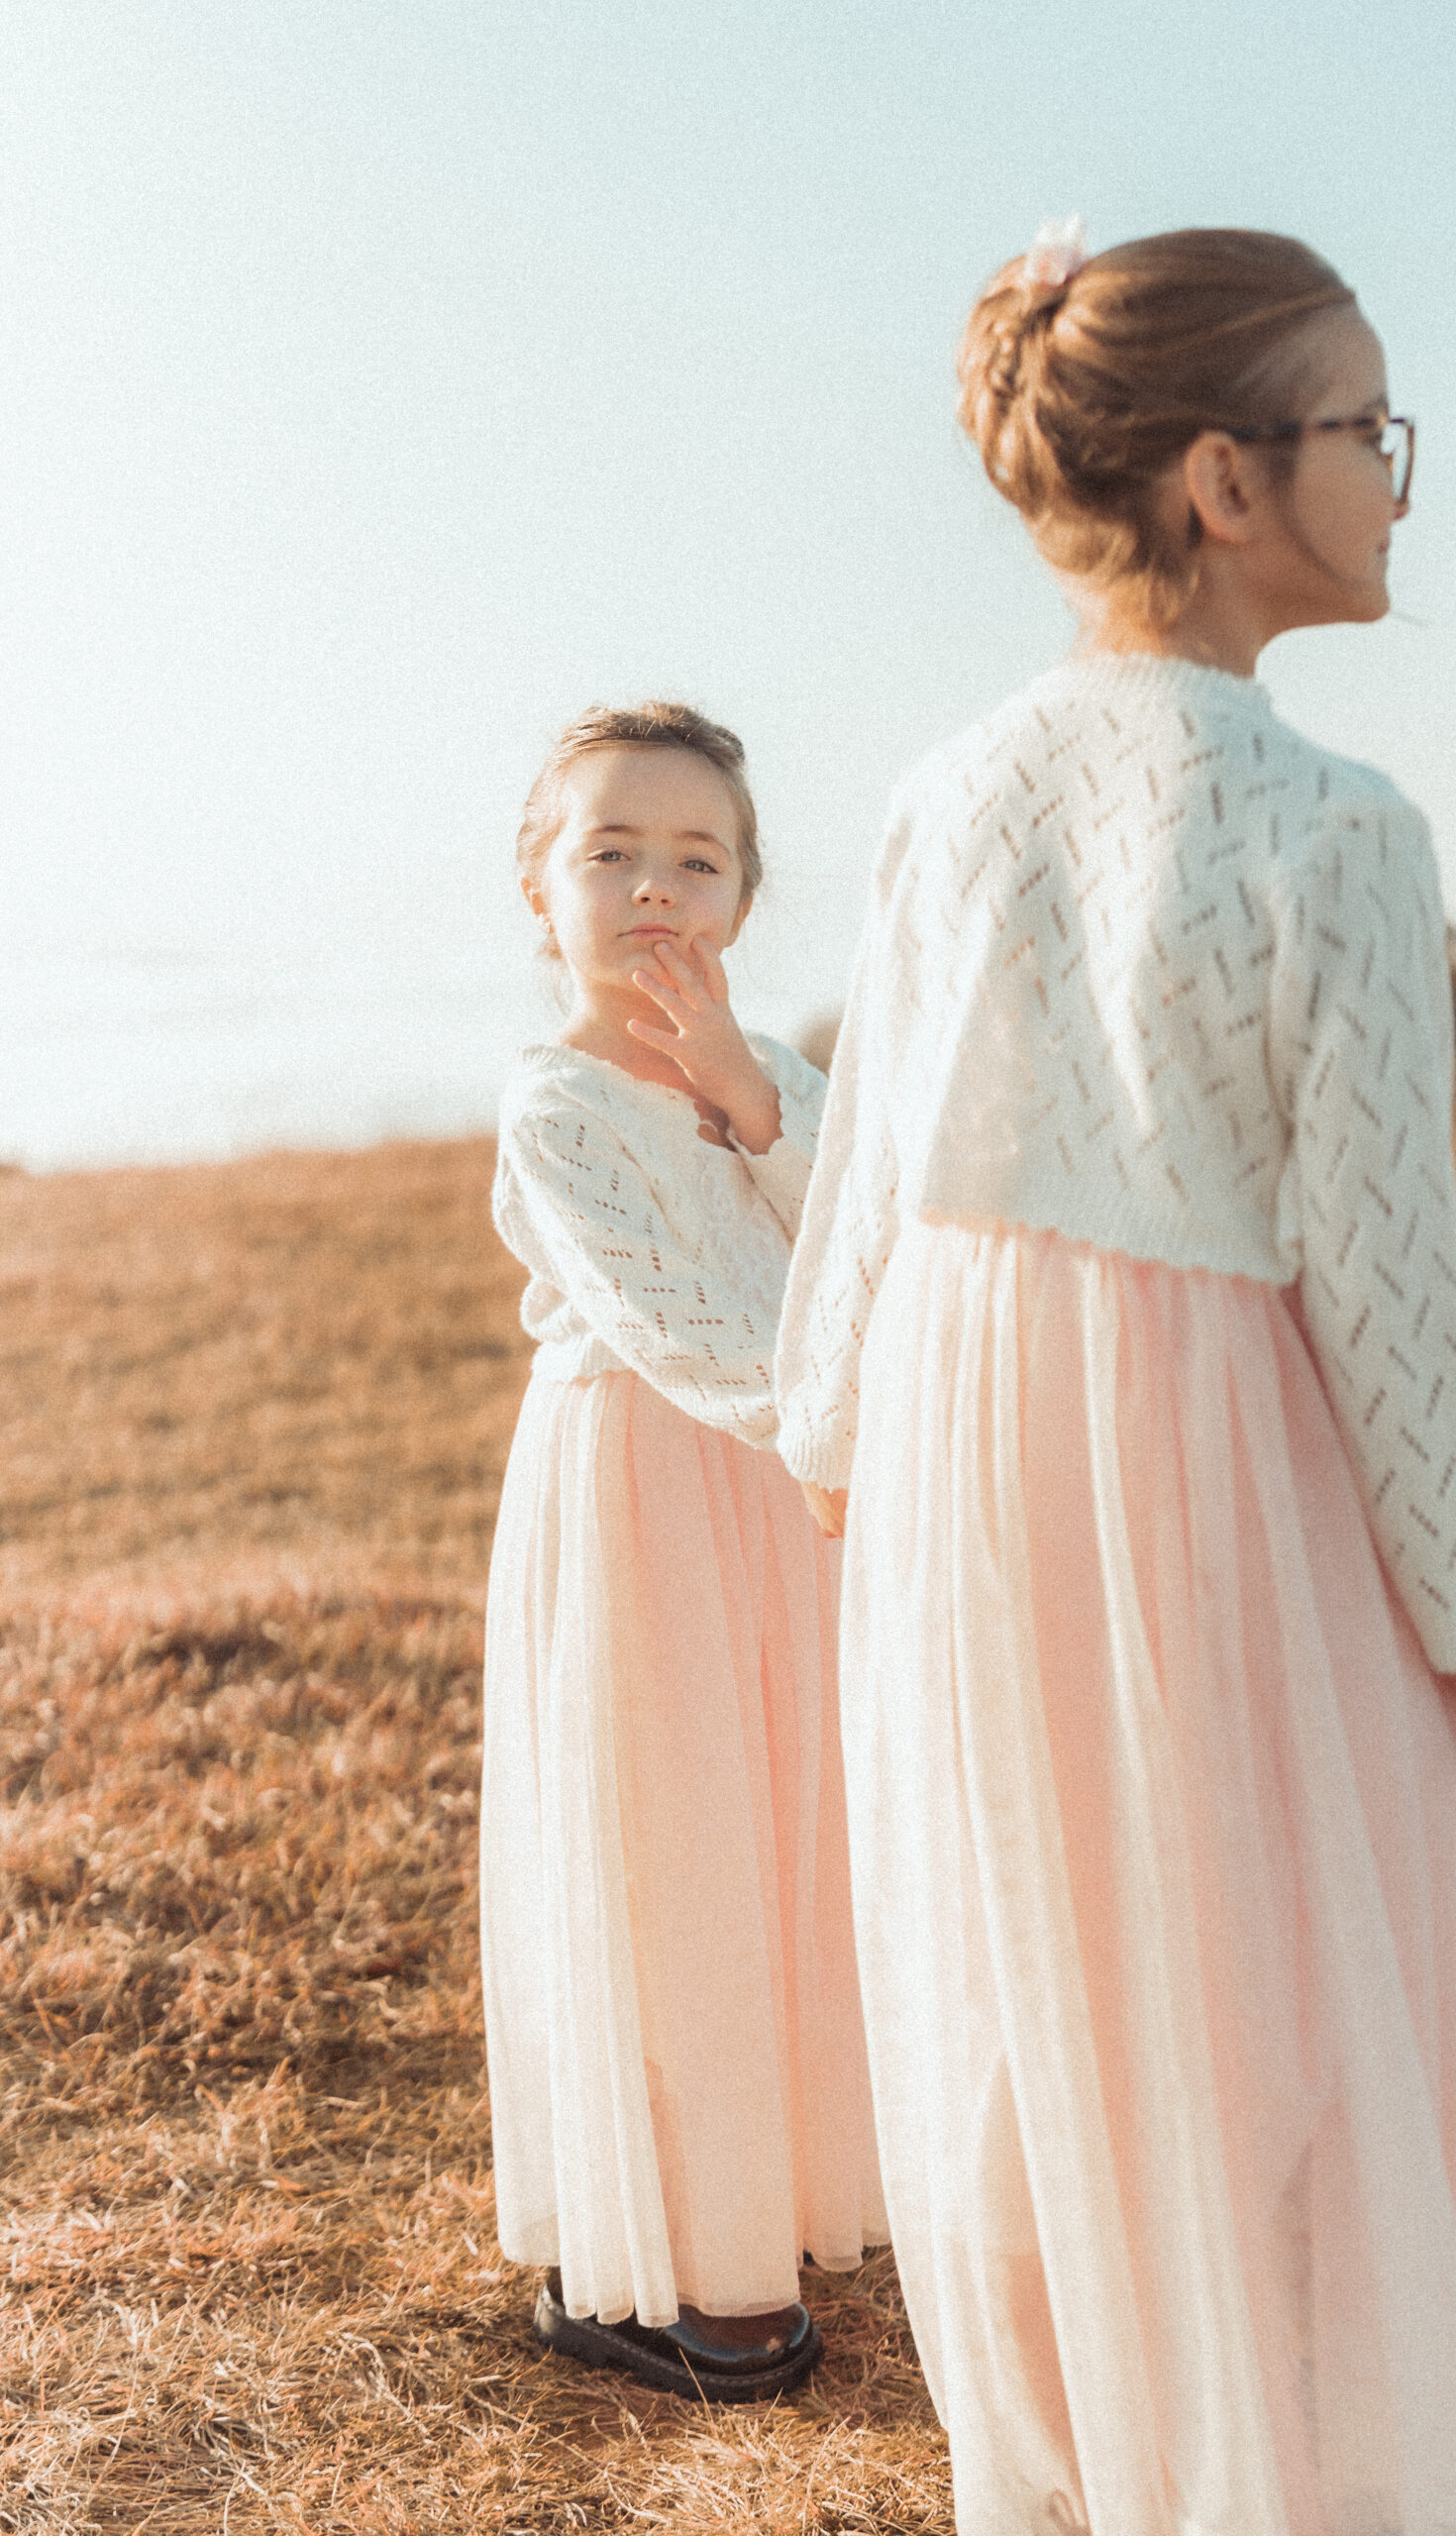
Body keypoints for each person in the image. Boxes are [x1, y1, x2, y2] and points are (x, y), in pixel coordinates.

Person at [776, 228, 1456, 2533]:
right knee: (1278, 1899)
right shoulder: (1335, 827)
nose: (1396, 482)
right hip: (1205, 1419)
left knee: (1063, 1913)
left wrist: (832, 1435)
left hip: (974, 1419)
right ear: (1222, 477)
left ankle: (1127, 2413)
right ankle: (1296, 2428)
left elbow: (872, 1165)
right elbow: (1385, 1274)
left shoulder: (948, 782)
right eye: (1362, 432)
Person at [481, 700, 884, 2402]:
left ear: (743, 892)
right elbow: (688, 1323)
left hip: (795, 1502)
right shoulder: (556, 1103)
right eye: (611, 852)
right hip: (653, 1489)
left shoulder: (776, 1072)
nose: (655, 888)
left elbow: (868, 1255)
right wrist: (833, 1441)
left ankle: (791, 2199)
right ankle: (691, 2272)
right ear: (539, 888)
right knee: (675, 1852)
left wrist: (758, 1107)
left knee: (803, 1831)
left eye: (696, 858)